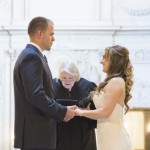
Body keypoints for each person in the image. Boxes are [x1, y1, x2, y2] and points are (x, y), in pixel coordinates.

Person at [13, 16, 76, 150]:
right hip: (37, 135)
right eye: (51, 34)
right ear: (39, 33)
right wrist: (62, 112)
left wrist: (64, 108)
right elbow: (36, 95)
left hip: (36, 135)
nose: (53, 38)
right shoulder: (32, 57)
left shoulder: (33, 55)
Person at [75, 45, 134, 150]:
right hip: (106, 138)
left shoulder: (116, 81)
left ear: (114, 61)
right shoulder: (112, 81)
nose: (101, 61)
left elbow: (105, 113)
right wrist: (85, 110)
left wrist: (81, 112)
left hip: (115, 141)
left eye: (104, 58)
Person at [53, 60, 97, 150]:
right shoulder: (52, 86)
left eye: (70, 78)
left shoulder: (88, 87)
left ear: (76, 76)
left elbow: (95, 111)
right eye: (64, 78)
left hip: (83, 135)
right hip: (59, 134)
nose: (67, 81)